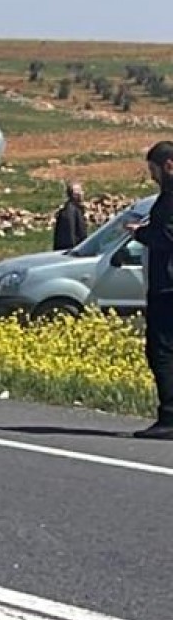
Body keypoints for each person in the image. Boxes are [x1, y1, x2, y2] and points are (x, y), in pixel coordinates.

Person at [130, 142, 173, 439]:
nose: (152, 177)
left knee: (162, 351)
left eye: (154, 170)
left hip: (168, 287)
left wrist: (141, 233)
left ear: (168, 165)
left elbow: (167, 236)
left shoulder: (170, 198)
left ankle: (169, 417)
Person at [53, 182, 88, 252]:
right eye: (80, 191)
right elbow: (69, 236)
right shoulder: (70, 212)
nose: (82, 193)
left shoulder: (76, 209)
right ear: (75, 194)